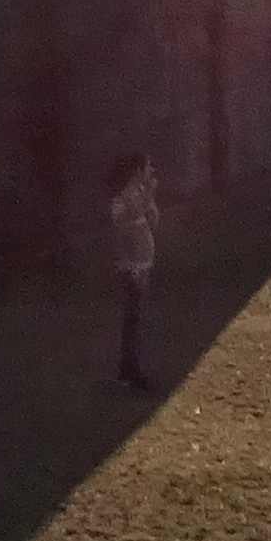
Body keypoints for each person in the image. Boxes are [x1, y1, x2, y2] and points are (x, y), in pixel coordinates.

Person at [108, 151, 160, 389]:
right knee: (132, 319)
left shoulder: (139, 194)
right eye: (148, 167)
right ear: (137, 171)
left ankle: (131, 369)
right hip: (132, 267)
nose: (151, 171)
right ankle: (129, 371)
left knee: (137, 319)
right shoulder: (124, 197)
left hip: (143, 263)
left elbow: (152, 220)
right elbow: (122, 229)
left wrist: (150, 198)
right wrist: (130, 264)